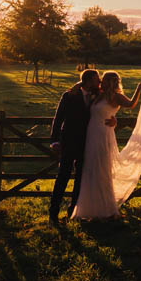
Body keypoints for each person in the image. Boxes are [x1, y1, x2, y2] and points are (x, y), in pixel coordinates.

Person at [71, 71, 141, 220]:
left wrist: (138, 89)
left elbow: (130, 104)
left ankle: (107, 209)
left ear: (111, 81)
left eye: (105, 79)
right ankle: (89, 209)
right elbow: (84, 86)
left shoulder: (116, 96)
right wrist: (77, 84)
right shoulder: (99, 94)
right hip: (91, 134)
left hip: (103, 134)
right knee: (90, 169)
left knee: (102, 169)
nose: (101, 81)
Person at [48, 69, 110, 225]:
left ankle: (73, 211)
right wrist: (55, 141)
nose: (99, 82)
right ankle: (53, 213)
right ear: (88, 81)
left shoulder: (98, 95)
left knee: (81, 179)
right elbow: (58, 118)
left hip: (88, 142)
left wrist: (114, 119)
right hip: (69, 142)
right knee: (63, 176)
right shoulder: (69, 95)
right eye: (97, 79)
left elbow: (108, 106)